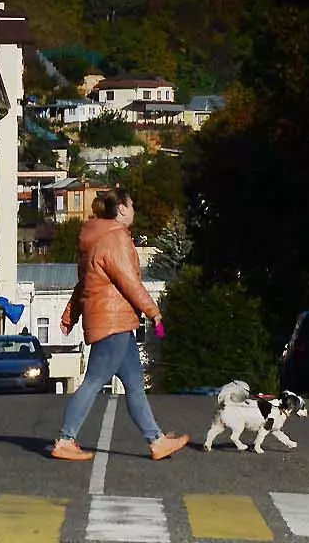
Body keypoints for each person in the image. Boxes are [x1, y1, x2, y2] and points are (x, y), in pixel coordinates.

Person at [50, 187, 190, 462]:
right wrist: (153, 312)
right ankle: (65, 439)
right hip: (112, 322)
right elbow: (129, 282)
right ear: (122, 209)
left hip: (117, 323)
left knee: (135, 385)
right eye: (132, 205)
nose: (135, 210)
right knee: (94, 381)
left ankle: (156, 441)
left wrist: (70, 316)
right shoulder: (116, 239)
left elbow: (83, 285)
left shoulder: (94, 239)